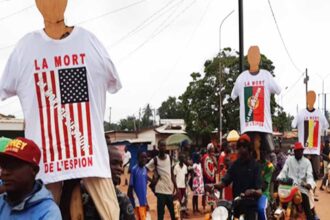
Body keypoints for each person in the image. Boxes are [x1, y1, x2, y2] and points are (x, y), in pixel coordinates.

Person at [0, 0, 122, 218]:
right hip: (46, 162)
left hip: (91, 157)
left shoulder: (89, 42)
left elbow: (113, 82)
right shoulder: (24, 49)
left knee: (111, 212)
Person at [0, 137, 61, 219]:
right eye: (3, 166)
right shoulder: (1, 203)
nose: (4, 172)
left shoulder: (48, 212)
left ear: (34, 170)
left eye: (12, 166)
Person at [206, 134, 262, 219]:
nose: (241, 149)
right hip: (236, 205)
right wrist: (214, 186)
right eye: (239, 146)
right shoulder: (235, 165)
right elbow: (224, 182)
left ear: (249, 148)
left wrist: (252, 191)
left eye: (244, 146)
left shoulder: (255, 166)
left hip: (250, 206)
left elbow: (259, 191)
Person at [83, 146, 135, 220]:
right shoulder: (83, 194)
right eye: (114, 163)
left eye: (120, 164)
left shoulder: (121, 199)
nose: (120, 168)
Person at [277, 142, 315, 220]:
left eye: (300, 150)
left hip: (302, 188)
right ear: (294, 151)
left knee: (307, 209)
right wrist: (279, 178)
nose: (299, 152)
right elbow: (284, 171)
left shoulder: (307, 162)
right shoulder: (289, 160)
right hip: (289, 188)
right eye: (297, 151)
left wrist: (309, 184)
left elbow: (310, 176)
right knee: (279, 202)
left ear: (302, 151)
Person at [146, 140, 177, 220]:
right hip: (160, 191)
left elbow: (172, 174)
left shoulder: (170, 158)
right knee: (160, 215)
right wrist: (152, 180)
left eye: (164, 146)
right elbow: (144, 170)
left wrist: (176, 188)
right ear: (158, 147)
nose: (163, 147)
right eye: (161, 146)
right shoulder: (155, 160)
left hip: (169, 190)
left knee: (173, 213)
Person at [128, 151, 149, 220]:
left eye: (145, 157)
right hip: (137, 201)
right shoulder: (134, 169)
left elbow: (145, 187)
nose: (144, 159)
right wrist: (131, 202)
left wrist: (146, 202)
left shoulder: (145, 170)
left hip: (144, 201)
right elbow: (130, 186)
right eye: (142, 157)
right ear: (138, 158)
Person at [257, 151, 274, 220]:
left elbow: (265, 184)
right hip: (249, 194)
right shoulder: (250, 163)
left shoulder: (269, 166)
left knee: (261, 210)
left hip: (262, 193)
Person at [201, 143, 217, 210]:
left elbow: (216, 164)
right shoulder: (205, 157)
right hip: (205, 176)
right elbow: (202, 165)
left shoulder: (213, 157)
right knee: (204, 192)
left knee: (212, 192)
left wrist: (213, 159)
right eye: (212, 148)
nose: (213, 150)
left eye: (213, 149)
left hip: (212, 176)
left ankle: (212, 207)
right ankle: (204, 206)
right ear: (209, 149)